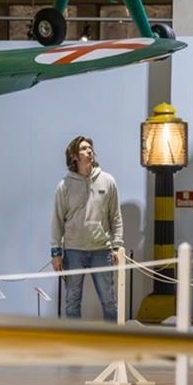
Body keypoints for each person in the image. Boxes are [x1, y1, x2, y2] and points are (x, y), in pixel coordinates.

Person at [51, 135, 124, 321]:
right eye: (84, 148)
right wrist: (56, 253)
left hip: (101, 250)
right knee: (72, 301)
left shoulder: (108, 181)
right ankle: (76, 345)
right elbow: (57, 220)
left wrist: (116, 246)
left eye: (90, 147)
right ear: (74, 155)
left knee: (109, 301)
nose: (89, 151)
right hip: (74, 251)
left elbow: (115, 216)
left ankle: (111, 343)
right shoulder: (64, 186)